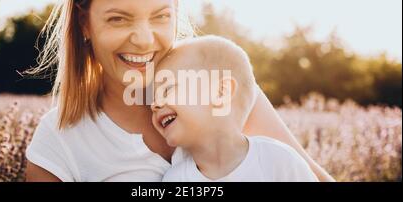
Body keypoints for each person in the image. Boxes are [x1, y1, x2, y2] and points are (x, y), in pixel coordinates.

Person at [25, 0, 334, 182]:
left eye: (160, 16)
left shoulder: (220, 91)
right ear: (84, 24)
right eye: (118, 18)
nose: (144, 40)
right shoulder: (59, 139)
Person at [150, 36, 318, 182]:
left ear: (221, 92)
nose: (154, 104)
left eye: (168, 89)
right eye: (154, 97)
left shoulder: (280, 160)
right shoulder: (175, 179)